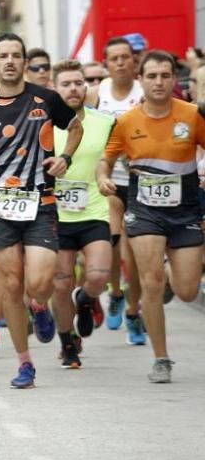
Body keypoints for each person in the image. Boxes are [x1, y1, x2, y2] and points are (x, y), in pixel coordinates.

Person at [0, 33, 83, 389]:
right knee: (12, 284)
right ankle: (24, 363)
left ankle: (41, 307)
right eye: (4, 56)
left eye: (17, 55)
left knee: (40, 282)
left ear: (24, 61)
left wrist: (65, 157)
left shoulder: (45, 98)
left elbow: (74, 127)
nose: (10, 61)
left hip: (41, 203)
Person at [97, 51, 205, 383]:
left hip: (185, 209)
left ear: (175, 80)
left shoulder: (193, 115)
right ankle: (161, 358)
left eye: (165, 75)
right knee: (151, 283)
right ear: (141, 80)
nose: (159, 82)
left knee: (187, 291)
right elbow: (107, 158)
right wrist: (103, 177)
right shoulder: (127, 121)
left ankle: (172, 270)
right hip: (144, 212)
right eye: (152, 76)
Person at [50, 60, 114, 369]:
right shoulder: (42, 124)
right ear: (54, 88)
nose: (73, 88)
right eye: (66, 84)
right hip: (56, 215)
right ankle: (68, 342)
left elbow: (116, 157)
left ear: (85, 87)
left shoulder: (104, 121)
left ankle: (86, 300)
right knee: (61, 284)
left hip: (94, 210)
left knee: (99, 276)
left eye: (78, 83)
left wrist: (106, 178)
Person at [97, 37, 146, 342]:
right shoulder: (97, 93)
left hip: (142, 182)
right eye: (113, 58)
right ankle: (115, 292)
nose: (119, 63)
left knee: (136, 255)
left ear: (134, 61)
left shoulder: (144, 93)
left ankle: (133, 310)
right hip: (109, 182)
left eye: (125, 57)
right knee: (114, 247)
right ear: (106, 63)